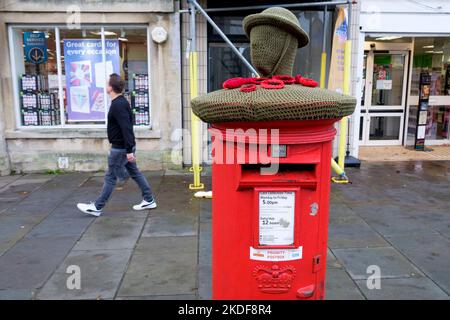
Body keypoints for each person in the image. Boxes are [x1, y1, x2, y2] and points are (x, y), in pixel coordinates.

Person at [77, 74, 156, 216]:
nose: (105, 85)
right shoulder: (120, 102)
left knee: (110, 177)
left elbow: (126, 128)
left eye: (107, 83)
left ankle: (97, 206)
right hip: (123, 147)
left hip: (120, 149)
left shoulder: (118, 105)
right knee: (134, 172)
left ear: (110, 87)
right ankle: (149, 199)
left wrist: (129, 150)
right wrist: (130, 148)